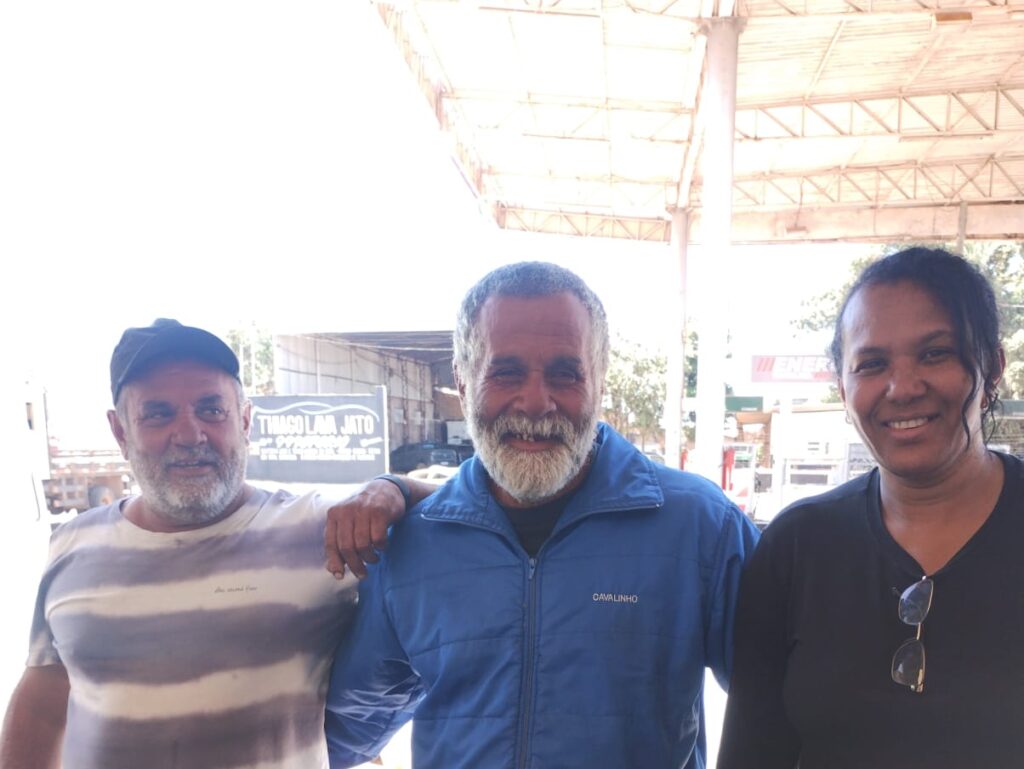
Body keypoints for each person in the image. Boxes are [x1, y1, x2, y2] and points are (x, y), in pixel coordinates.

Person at [324, 262, 760, 769]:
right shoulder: (415, 544)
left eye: (565, 374)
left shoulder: (700, 528)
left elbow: (787, 705)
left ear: (599, 383)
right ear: (463, 384)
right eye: (506, 373)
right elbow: (344, 728)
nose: (535, 402)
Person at [0, 319, 414, 769]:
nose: (189, 435)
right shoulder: (71, 545)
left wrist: (394, 488)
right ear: (120, 432)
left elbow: (459, 508)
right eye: (158, 413)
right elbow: (42, 701)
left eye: (211, 410)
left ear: (245, 420)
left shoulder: (320, 531)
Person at [718, 247, 1024, 769]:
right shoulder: (797, 547)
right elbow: (753, 751)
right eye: (872, 364)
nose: (902, 388)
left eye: (935, 354)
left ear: (992, 368)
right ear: (843, 388)